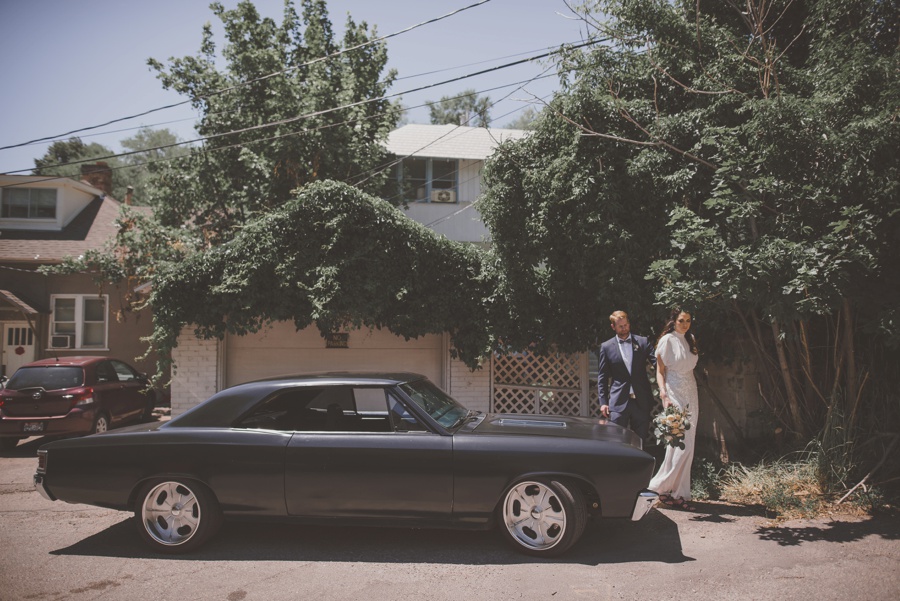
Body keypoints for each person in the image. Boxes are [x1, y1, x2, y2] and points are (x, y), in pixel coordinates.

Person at [649, 308, 700, 511]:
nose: (685, 324)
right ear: (673, 321)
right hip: (674, 393)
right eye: (681, 320)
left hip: (691, 392)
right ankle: (661, 487)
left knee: (690, 443)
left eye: (688, 320)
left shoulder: (691, 339)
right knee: (679, 443)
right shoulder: (667, 340)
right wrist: (663, 393)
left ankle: (679, 493)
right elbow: (660, 371)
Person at [597, 310, 657, 440]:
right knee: (616, 440)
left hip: (641, 400)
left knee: (640, 441)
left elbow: (658, 364)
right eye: (620, 326)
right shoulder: (606, 347)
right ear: (613, 327)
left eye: (626, 325)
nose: (624, 328)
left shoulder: (642, 342)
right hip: (618, 402)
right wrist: (603, 402)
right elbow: (602, 377)